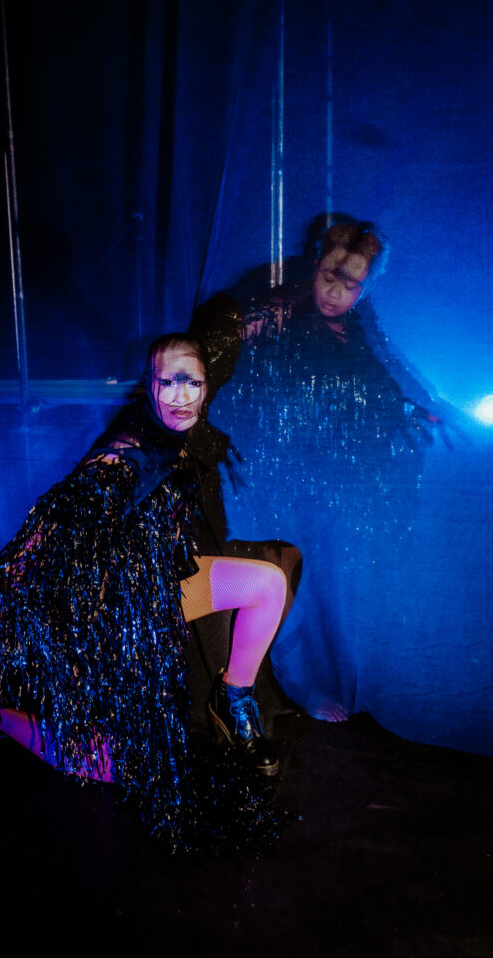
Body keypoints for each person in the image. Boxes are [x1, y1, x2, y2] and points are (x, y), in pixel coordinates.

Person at [0, 333, 288, 852]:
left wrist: (269, 311)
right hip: (104, 614)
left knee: (268, 584)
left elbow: (220, 344)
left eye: (191, 383)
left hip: (157, 581)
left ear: (206, 387)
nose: (180, 396)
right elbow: (41, 534)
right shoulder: (122, 458)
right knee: (113, 765)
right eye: (167, 383)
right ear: (149, 389)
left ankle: (234, 696)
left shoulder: (181, 423)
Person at [203, 220, 444, 723]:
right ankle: (292, 687)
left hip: (329, 476)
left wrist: (415, 406)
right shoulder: (278, 306)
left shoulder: (358, 321)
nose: (334, 292)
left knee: (329, 576)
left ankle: (322, 679)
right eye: (330, 277)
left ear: (367, 286)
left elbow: (382, 371)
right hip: (272, 473)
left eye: (350, 284)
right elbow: (217, 346)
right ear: (316, 265)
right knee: (283, 575)